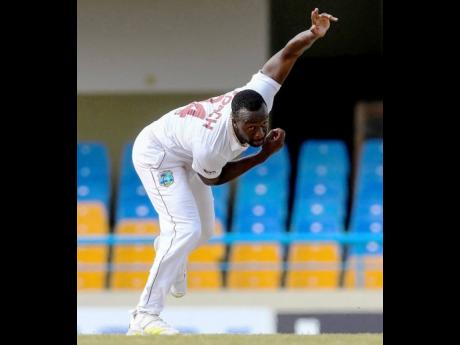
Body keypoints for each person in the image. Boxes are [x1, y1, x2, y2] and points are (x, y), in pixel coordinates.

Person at [127, 8, 338, 335]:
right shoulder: (215, 143)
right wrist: (262, 155)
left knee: (204, 232)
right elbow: (212, 177)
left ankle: (169, 251)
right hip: (157, 155)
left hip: (186, 152)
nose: (257, 132)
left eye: (262, 125)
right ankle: (145, 316)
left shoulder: (258, 98)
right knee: (184, 230)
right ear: (233, 120)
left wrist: (312, 34)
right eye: (250, 128)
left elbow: (287, 54)